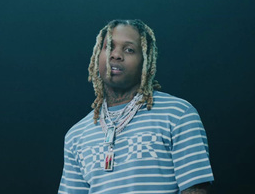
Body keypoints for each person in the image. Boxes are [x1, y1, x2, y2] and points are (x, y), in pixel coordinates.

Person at [58, 19, 214, 194]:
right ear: (96, 56)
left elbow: (196, 189)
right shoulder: (76, 135)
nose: (115, 55)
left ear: (145, 61)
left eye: (129, 49)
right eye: (108, 47)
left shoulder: (177, 114)